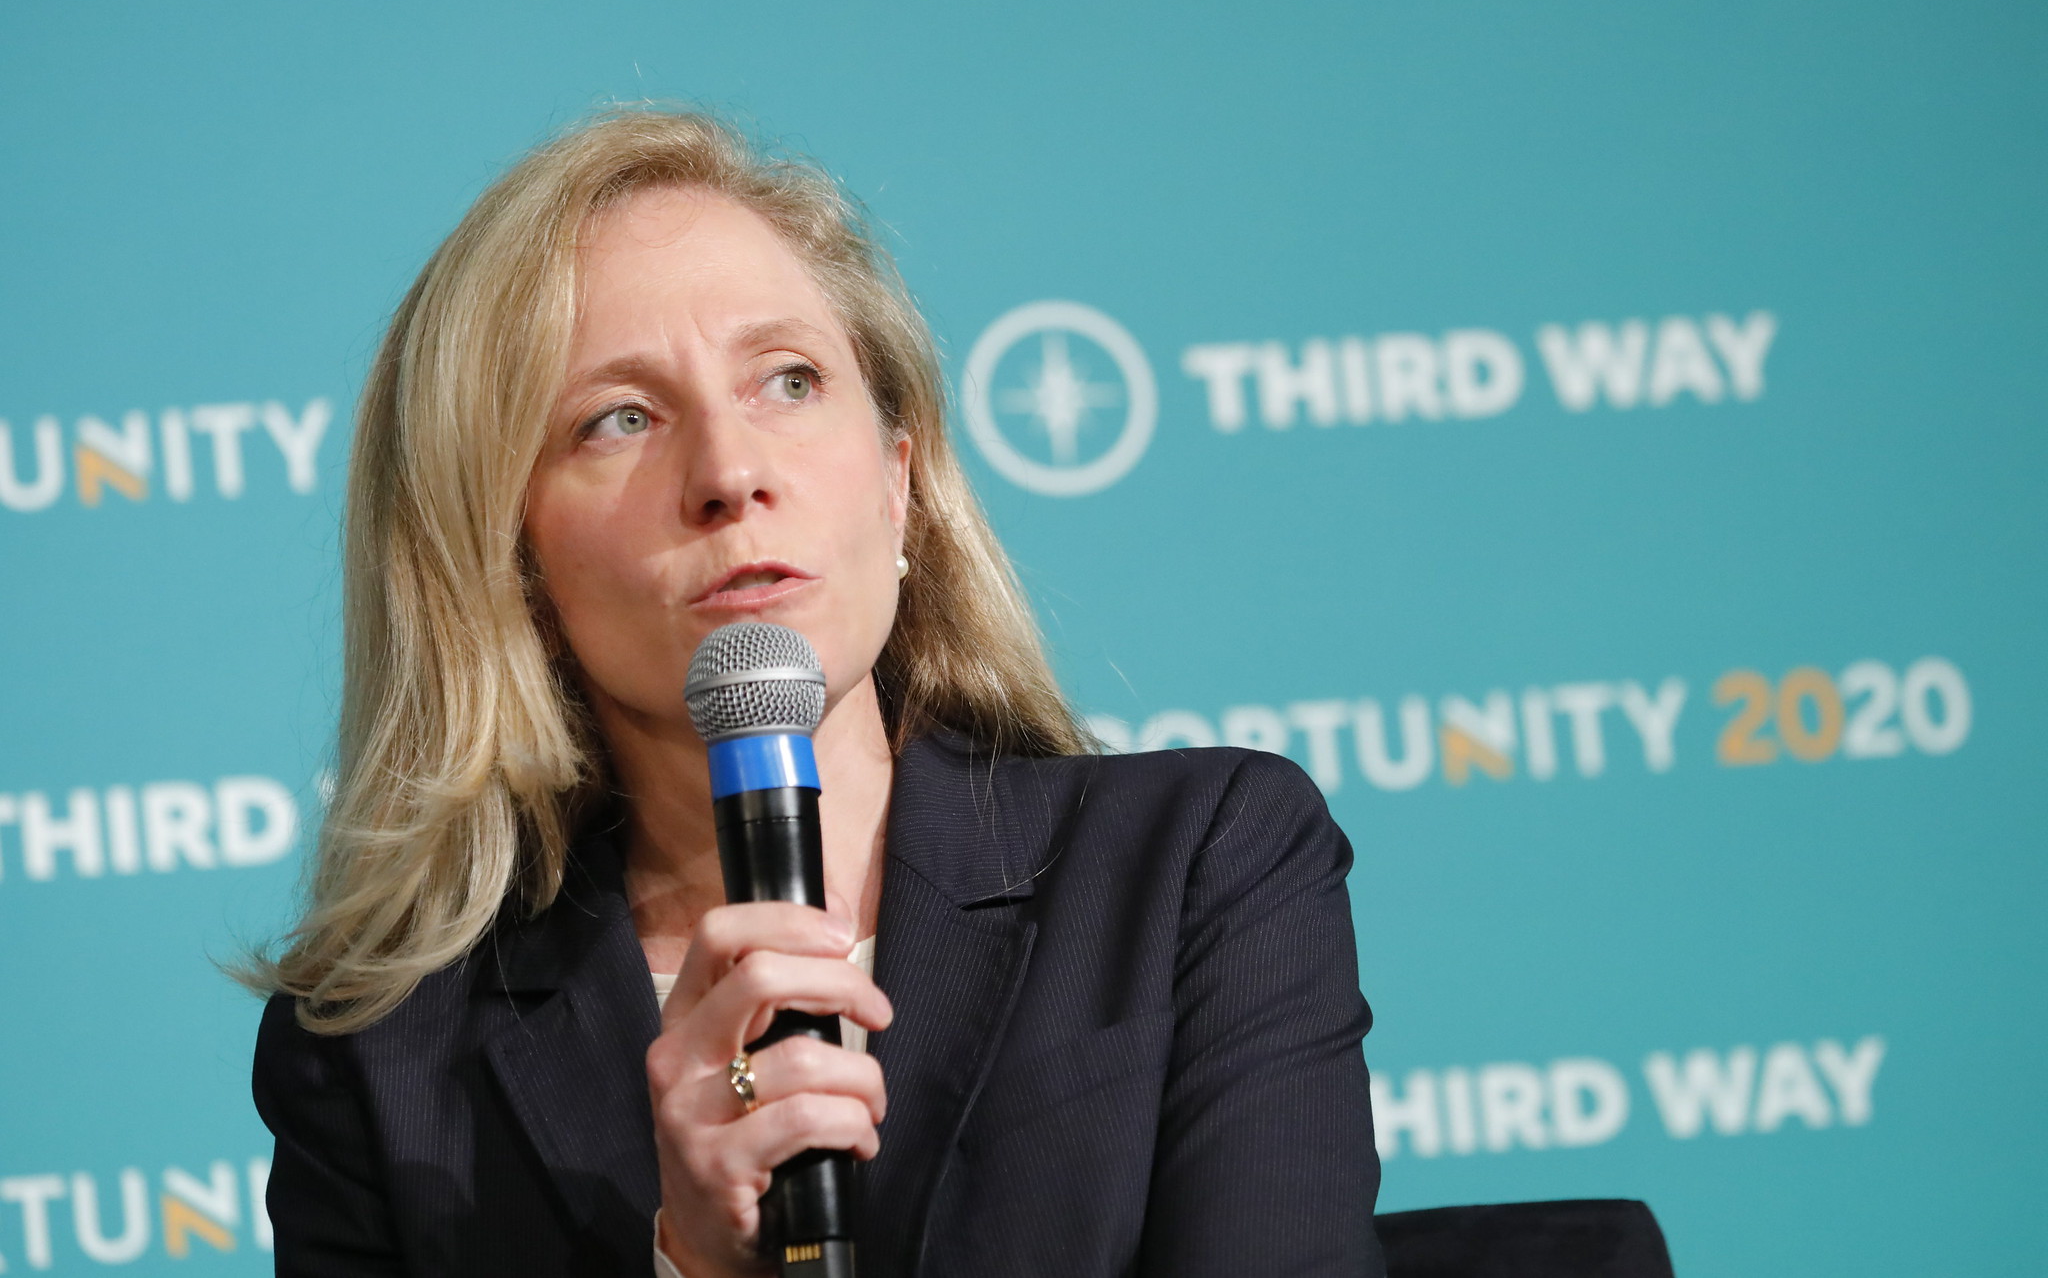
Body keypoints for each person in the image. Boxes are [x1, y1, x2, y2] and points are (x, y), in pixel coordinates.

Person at [247, 108, 1384, 1277]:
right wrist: (691, 1264)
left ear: (899, 485)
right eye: (618, 419)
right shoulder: (376, 1063)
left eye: (787, 381)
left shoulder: (1192, 866)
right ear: (505, 563)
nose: (730, 472)